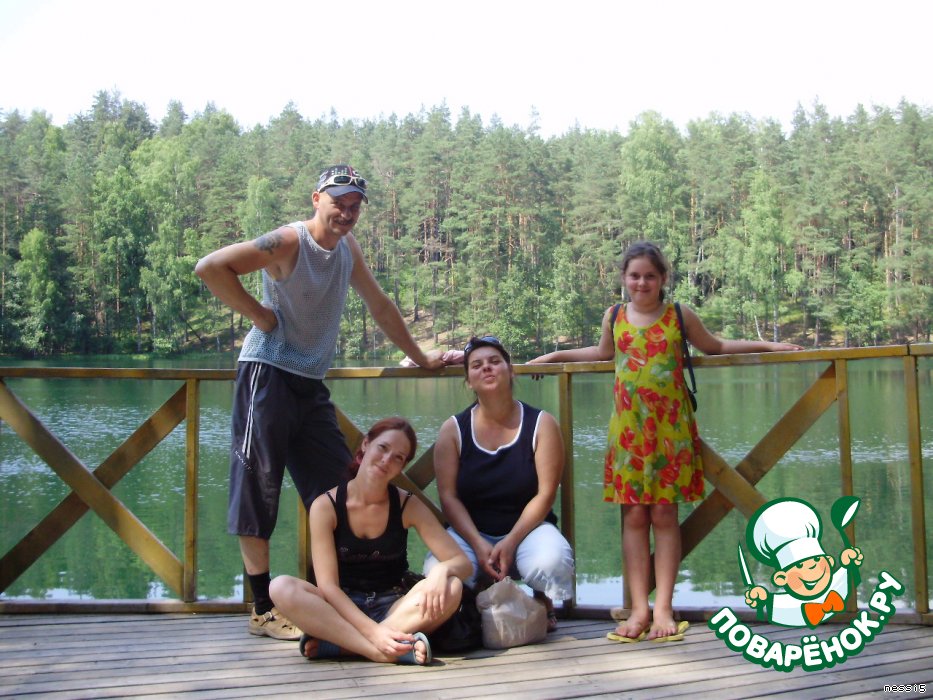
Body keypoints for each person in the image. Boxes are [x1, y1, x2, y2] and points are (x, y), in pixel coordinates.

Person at [195, 164, 443, 640]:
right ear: (316, 199)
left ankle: (340, 594)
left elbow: (380, 305)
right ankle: (263, 609)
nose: (346, 213)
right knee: (257, 488)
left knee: (339, 490)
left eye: (354, 206)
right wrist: (259, 315)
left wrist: (422, 358)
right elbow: (211, 267)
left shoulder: (348, 248)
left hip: (310, 384)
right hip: (266, 376)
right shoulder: (289, 241)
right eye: (338, 202)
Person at [528, 241, 802, 643]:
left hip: (671, 433)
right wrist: (552, 357)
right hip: (629, 433)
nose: (641, 283)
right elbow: (602, 353)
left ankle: (663, 608)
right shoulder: (614, 315)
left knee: (664, 517)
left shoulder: (678, 315)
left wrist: (769, 345)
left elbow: (716, 346)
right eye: (634, 276)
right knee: (634, 519)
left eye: (649, 276)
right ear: (623, 278)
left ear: (663, 279)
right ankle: (639, 608)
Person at [269, 417, 471, 664]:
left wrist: (441, 571)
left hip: (394, 607)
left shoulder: (407, 505)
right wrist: (373, 632)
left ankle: (344, 646)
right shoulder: (326, 506)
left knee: (452, 587)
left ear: (402, 466)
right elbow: (329, 587)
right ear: (366, 444)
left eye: (398, 457)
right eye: (382, 448)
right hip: (341, 608)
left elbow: (462, 563)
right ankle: (380, 651)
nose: (386, 460)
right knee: (280, 587)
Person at [424, 335, 575, 631]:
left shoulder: (541, 423)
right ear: (468, 380)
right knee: (437, 573)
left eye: (495, 362)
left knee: (551, 562)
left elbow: (546, 494)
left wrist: (510, 541)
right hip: (470, 534)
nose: (487, 368)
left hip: (528, 531)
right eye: (477, 365)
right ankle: (471, 602)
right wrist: (478, 544)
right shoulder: (453, 429)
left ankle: (541, 599)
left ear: (510, 370)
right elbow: (448, 497)